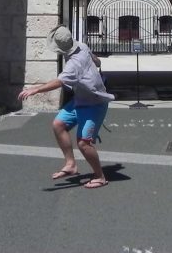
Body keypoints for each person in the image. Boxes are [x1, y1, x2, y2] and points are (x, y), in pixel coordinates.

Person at [18, 25, 115, 189]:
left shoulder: (74, 64)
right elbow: (95, 59)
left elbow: (59, 82)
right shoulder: (81, 46)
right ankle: (71, 164)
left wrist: (35, 89)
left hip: (94, 103)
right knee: (58, 124)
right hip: (80, 100)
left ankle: (100, 176)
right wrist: (97, 62)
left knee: (84, 143)